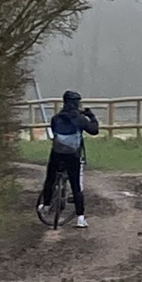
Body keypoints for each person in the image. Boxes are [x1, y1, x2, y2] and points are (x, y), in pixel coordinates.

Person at [39, 90, 100, 228]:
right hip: (73, 155)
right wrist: (92, 116)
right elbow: (94, 130)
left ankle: (47, 205)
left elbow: (54, 131)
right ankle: (80, 218)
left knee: (50, 180)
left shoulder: (56, 118)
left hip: (57, 153)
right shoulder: (79, 119)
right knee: (76, 186)